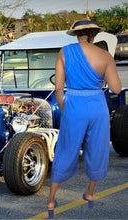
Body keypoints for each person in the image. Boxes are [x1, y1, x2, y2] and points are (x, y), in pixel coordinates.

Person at [47, 20, 121, 218]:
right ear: (94, 34)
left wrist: (66, 110)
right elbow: (116, 89)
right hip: (97, 105)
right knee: (97, 148)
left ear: (76, 34)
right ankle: (89, 193)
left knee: (66, 148)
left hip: (73, 105)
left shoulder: (64, 52)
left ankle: (52, 199)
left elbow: (58, 89)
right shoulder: (105, 56)